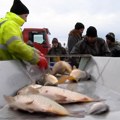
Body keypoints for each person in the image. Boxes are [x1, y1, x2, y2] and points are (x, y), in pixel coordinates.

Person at [0, 0, 48, 69]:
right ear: (19, 14)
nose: (26, 20)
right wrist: (37, 59)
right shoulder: (10, 25)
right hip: (5, 67)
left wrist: (36, 52)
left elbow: (19, 44)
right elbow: (16, 45)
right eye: (25, 16)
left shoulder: (4, 23)